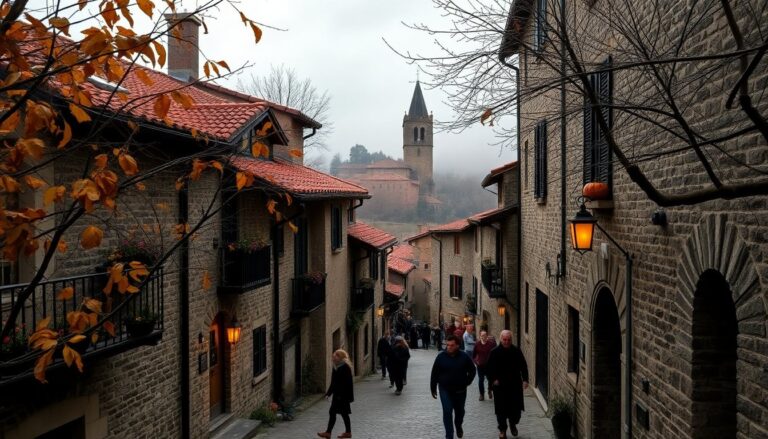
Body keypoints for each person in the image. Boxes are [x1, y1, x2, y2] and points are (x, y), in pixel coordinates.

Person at [430, 334, 476, 439]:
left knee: (460, 412)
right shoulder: (441, 357)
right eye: (448, 345)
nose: (449, 347)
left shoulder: (464, 357)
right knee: (447, 411)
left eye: (451, 345)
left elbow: (472, 370)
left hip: (460, 390)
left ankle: (458, 425)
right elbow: (434, 373)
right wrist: (433, 388)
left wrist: (467, 381)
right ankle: (449, 435)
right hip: (444, 389)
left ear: (457, 346)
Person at [486, 330, 529, 438]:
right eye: (504, 340)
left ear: (511, 340)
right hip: (500, 386)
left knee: (516, 411)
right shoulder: (494, 352)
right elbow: (489, 369)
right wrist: (493, 380)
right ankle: (502, 430)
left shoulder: (516, 351)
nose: (506, 342)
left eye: (509, 340)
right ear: (501, 339)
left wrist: (525, 380)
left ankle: (513, 423)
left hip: (514, 385)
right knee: (501, 410)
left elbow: (523, 366)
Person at [317, 349, 354, 439]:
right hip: (337, 395)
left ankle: (331, 432)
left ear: (340, 357)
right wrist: (328, 393)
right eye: (333, 356)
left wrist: (342, 395)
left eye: (335, 356)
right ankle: (333, 432)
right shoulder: (336, 367)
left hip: (343, 396)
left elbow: (348, 383)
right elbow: (333, 382)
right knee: (338, 413)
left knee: (341, 413)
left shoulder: (345, 367)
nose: (333, 358)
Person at [472, 329, 497, 401]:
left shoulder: (491, 344)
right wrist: (476, 362)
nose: (484, 337)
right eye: (482, 335)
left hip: (489, 366)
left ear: (487, 336)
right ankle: (481, 394)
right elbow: (473, 356)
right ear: (480, 336)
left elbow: (495, 354)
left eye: (485, 335)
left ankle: (489, 390)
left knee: (490, 379)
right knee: (481, 380)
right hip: (480, 366)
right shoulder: (477, 344)